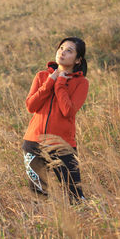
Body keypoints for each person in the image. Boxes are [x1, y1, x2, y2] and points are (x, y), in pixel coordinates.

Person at [22, 37, 88, 202]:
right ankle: (46, 226)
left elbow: (68, 111)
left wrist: (60, 84)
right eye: (61, 48)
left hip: (62, 145)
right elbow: (31, 106)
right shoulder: (41, 76)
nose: (62, 52)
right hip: (33, 143)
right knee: (39, 196)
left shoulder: (81, 83)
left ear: (78, 59)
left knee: (76, 196)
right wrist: (50, 81)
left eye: (69, 50)